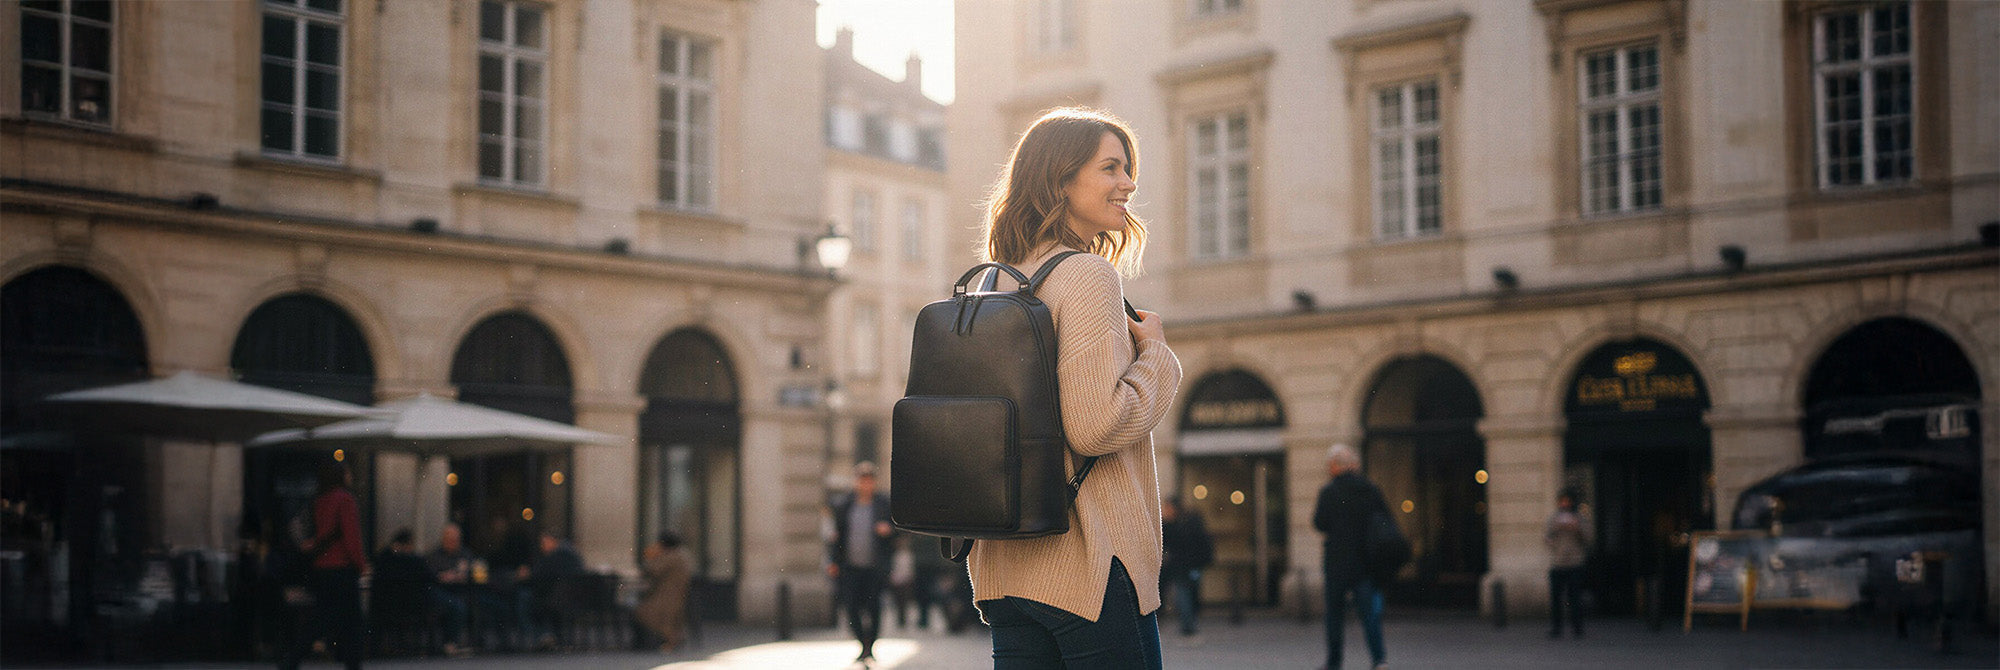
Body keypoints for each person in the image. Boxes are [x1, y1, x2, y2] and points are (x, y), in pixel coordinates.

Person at [967, 107, 1183, 670]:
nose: (1128, 183)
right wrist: (1158, 358)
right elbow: (1096, 427)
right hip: (1086, 563)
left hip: (1004, 567)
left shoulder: (993, 279)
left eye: (1127, 168)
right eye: (1110, 168)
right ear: (1060, 179)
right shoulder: (1086, 274)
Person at [282, 461, 367, 670]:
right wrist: (360, 564)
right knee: (352, 622)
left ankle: (293, 658)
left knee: (319, 618)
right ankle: (352, 664)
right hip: (342, 567)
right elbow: (351, 536)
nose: (350, 475)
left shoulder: (319, 500)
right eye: (347, 472)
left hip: (321, 566)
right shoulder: (346, 499)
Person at [1313, 444, 1390, 670]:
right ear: (1354, 466)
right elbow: (1384, 519)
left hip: (1337, 563)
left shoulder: (1329, 491)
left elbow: (1319, 523)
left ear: (1335, 466)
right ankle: (1379, 659)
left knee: (1334, 616)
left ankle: (1334, 662)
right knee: (1369, 615)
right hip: (1365, 563)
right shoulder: (1369, 489)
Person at [828, 461, 895, 663]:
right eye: (862, 481)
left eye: (869, 481)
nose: (865, 485)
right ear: (856, 482)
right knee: (851, 607)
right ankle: (862, 643)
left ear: (874, 483)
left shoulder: (884, 504)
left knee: (874, 608)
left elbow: (898, 530)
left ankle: (870, 646)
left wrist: (889, 530)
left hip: (875, 567)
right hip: (850, 567)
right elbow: (836, 536)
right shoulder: (844, 506)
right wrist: (834, 561)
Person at [370, 529, 436, 654]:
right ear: (408, 544)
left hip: (384, 606)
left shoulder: (383, 558)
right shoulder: (414, 560)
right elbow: (430, 576)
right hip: (411, 606)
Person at [519, 532, 585, 649]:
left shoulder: (558, 555)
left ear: (553, 541)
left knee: (524, 599)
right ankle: (546, 636)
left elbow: (541, 575)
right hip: (566, 597)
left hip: (557, 598)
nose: (542, 546)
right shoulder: (568, 553)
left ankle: (542, 636)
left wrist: (527, 574)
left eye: (544, 542)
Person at [1159, 495, 1213, 637]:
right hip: (1191, 565)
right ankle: (1189, 623)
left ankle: (1188, 624)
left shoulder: (1177, 524)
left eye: (1167, 507)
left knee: (1184, 593)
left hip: (1183, 565)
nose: (1165, 511)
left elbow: (1169, 543)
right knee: (1190, 592)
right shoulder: (1190, 521)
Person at [635, 531, 694, 652]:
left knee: (640, 612)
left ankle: (663, 640)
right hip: (676, 595)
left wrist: (650, 556)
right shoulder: (682, 554)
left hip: (667, 596)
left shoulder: (672, 556)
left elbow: (652, 569)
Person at [1545, 488, 1591, 639]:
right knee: (1556, 598)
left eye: (1567, 501)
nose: (1565, 504)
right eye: (1562, 501)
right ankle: (1556, 627)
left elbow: (1588, 538)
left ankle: (1577, 627)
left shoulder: (1580, 518)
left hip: (1575, 563)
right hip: (1557, 563)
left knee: (1575, 597)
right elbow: (1547, 538)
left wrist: (1576, 528)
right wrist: (1557, 528)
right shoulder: (1554, 518)